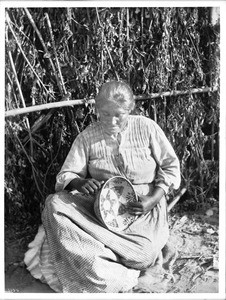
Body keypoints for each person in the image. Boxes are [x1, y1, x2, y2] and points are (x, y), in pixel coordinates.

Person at [24, 80, 181, 293]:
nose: (112, 120)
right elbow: (65, 175)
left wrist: (153, 198)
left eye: (119, 114)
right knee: (55, 204)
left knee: (143, 256)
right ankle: (107, 261)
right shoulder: (88, 136)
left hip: (142, 207)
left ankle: (99, 256)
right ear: (97, 110)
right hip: (100, 208)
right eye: (105, 114)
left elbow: (171, 167)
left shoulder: (147, 128)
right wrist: (79, 182)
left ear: (130, 109)